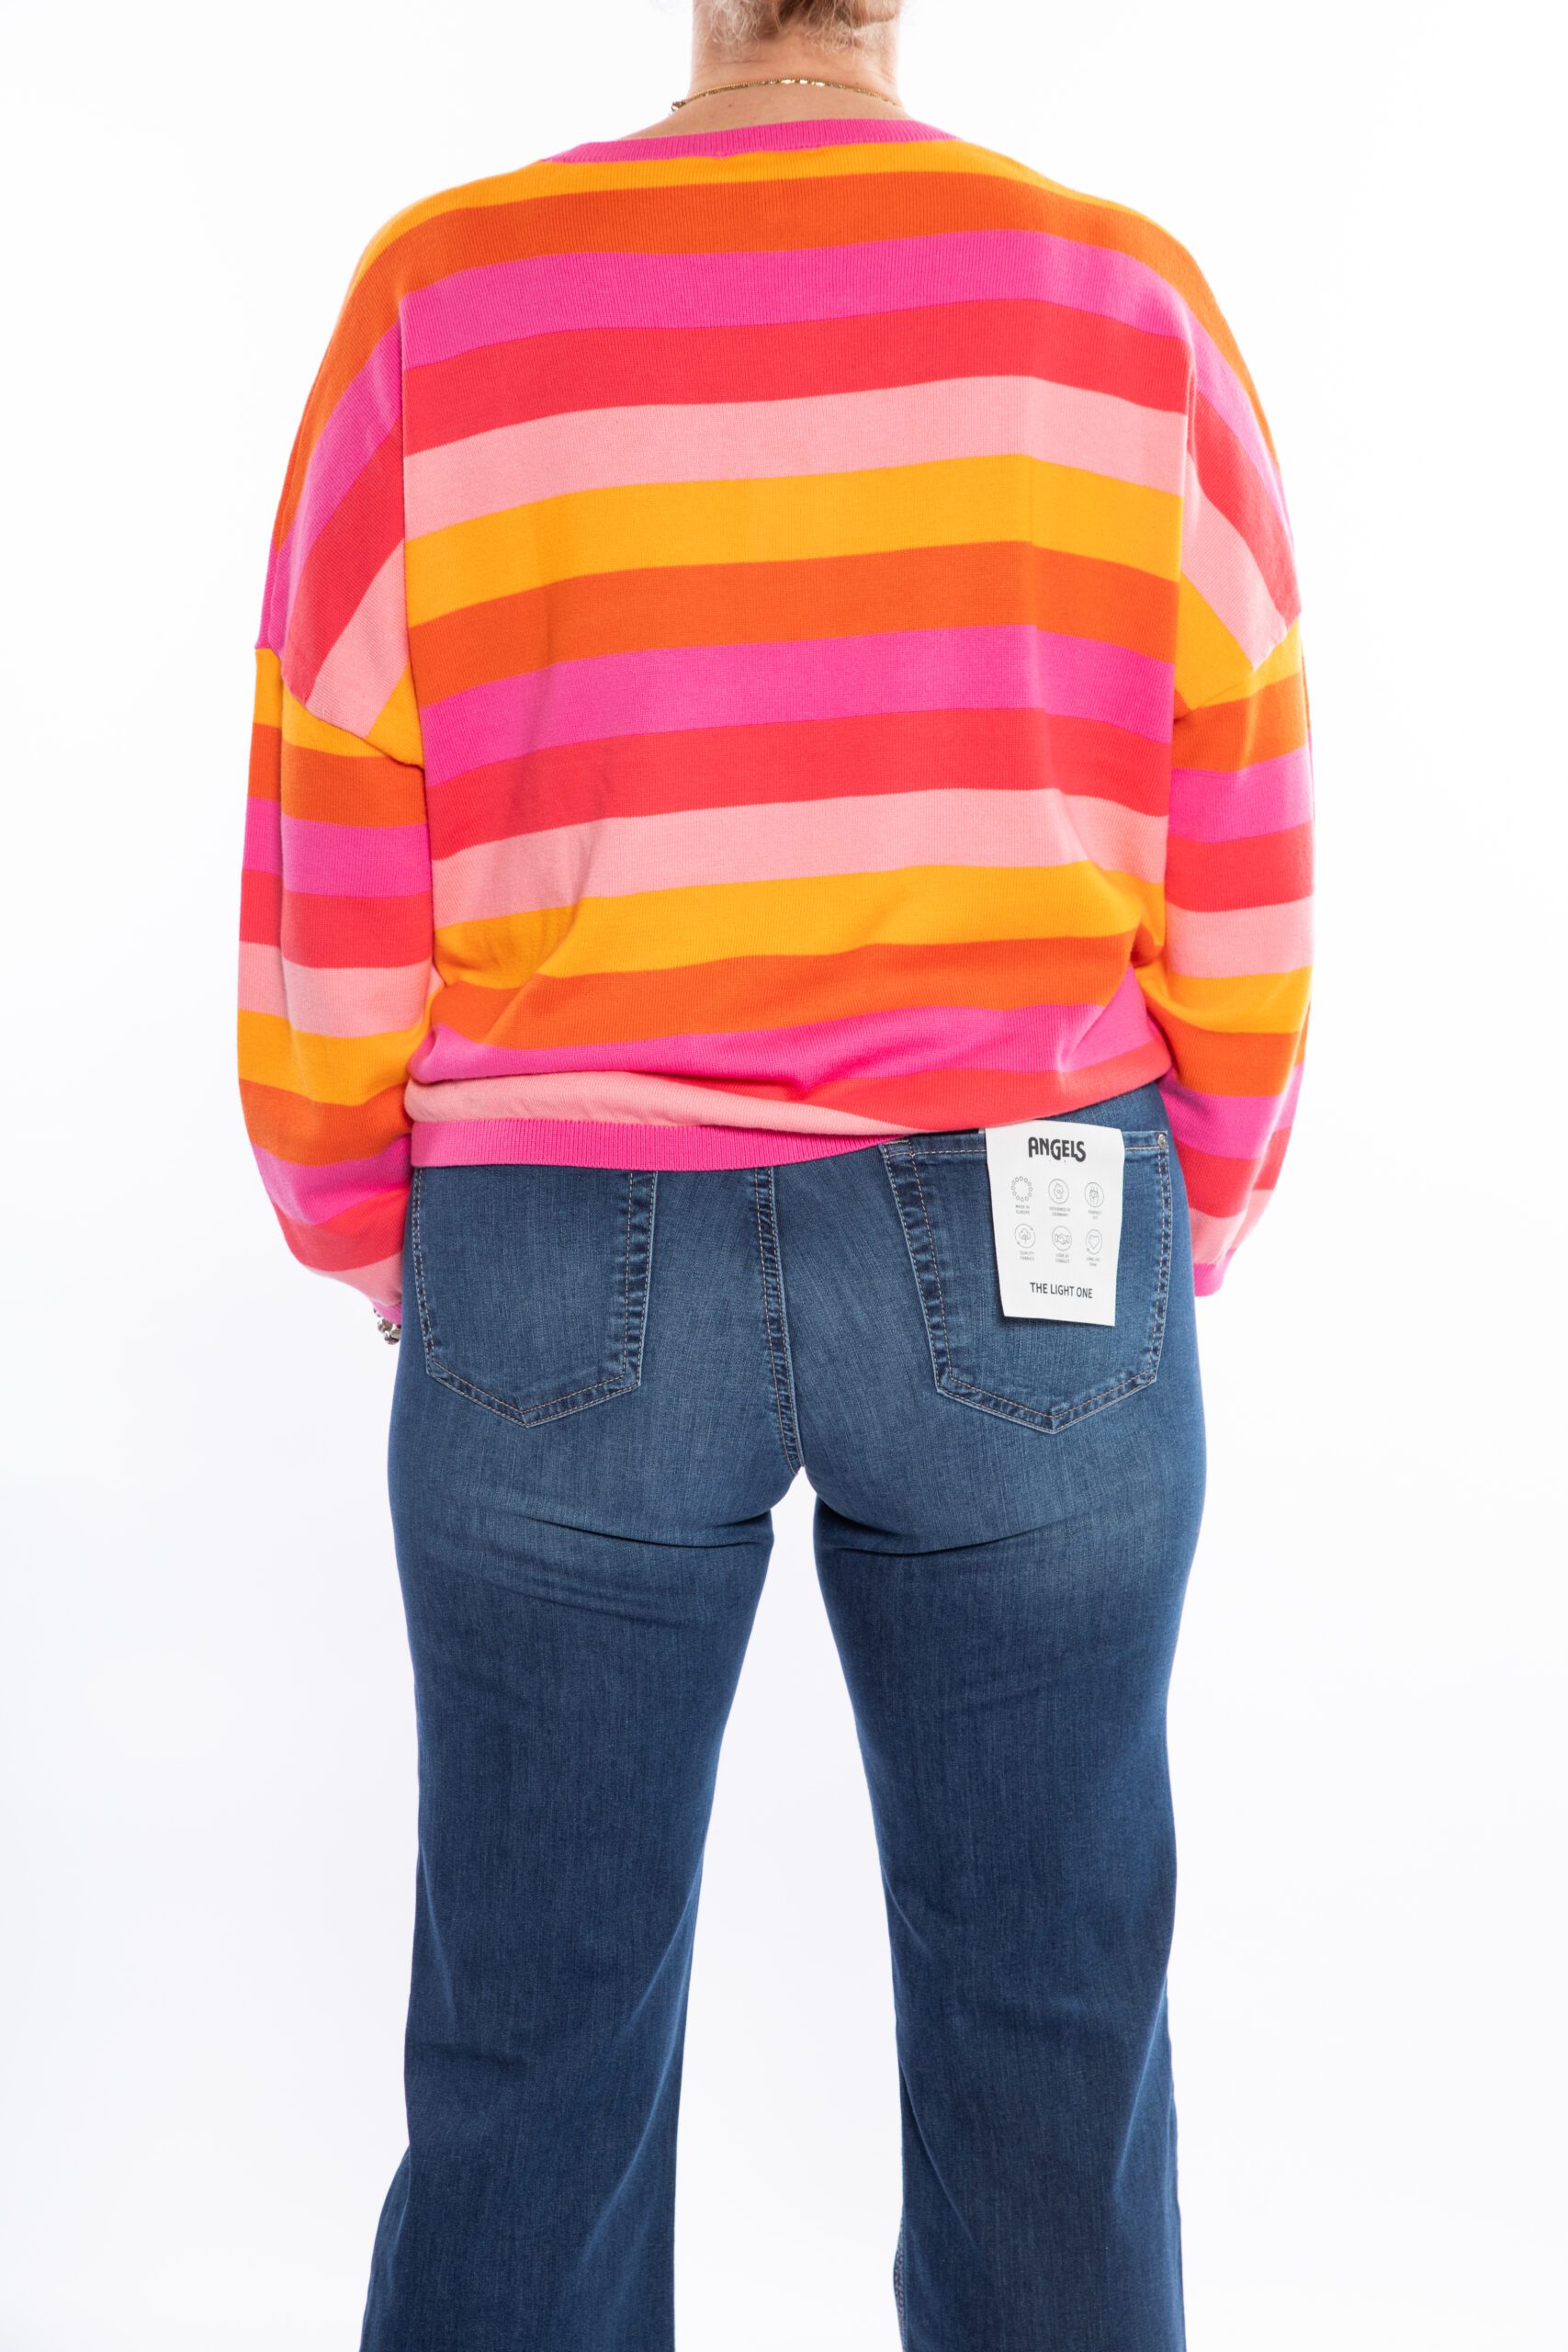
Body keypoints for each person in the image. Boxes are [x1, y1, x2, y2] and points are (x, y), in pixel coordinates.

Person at [237, 1, 1313, 2342]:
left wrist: (350, 1202)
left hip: (549, 1235)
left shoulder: (444, 296)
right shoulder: (1120, 303)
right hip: (1034, 1223)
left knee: (528, 2049)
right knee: (1052, 2038)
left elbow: (332, 798)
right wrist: (1205, 1186)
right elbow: (1233, 800)